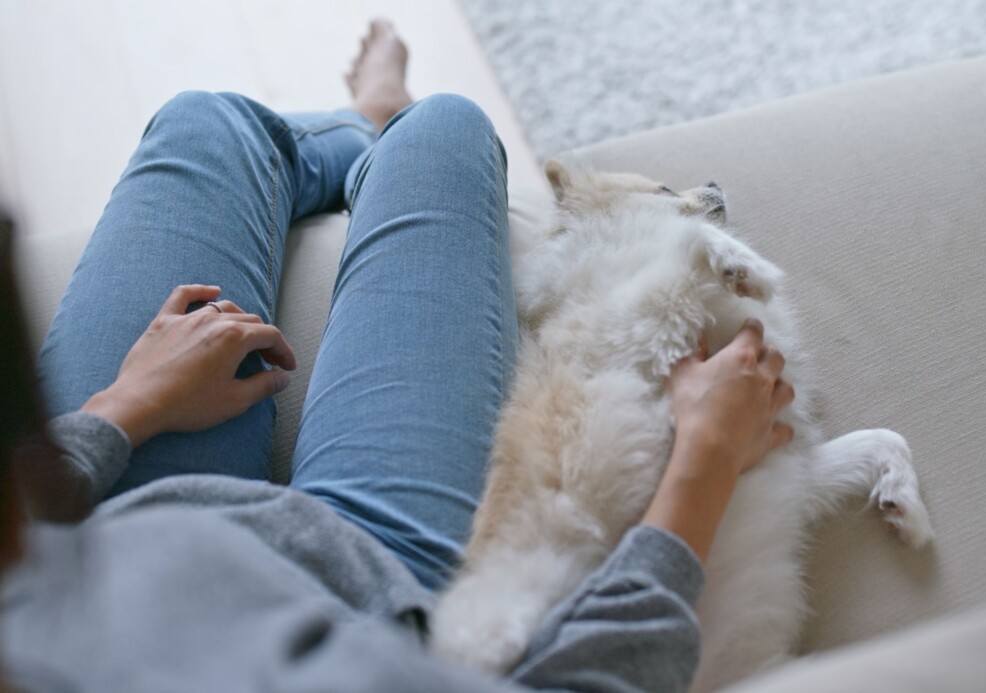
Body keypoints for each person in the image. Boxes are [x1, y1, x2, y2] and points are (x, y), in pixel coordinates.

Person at [0, 21, 793, 692]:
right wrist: (706, 455)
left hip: (103, 511)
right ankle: (381, 130)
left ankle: (353, 127)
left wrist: (124, 405)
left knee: (207, 123)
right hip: (367, 579)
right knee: (443, 130)